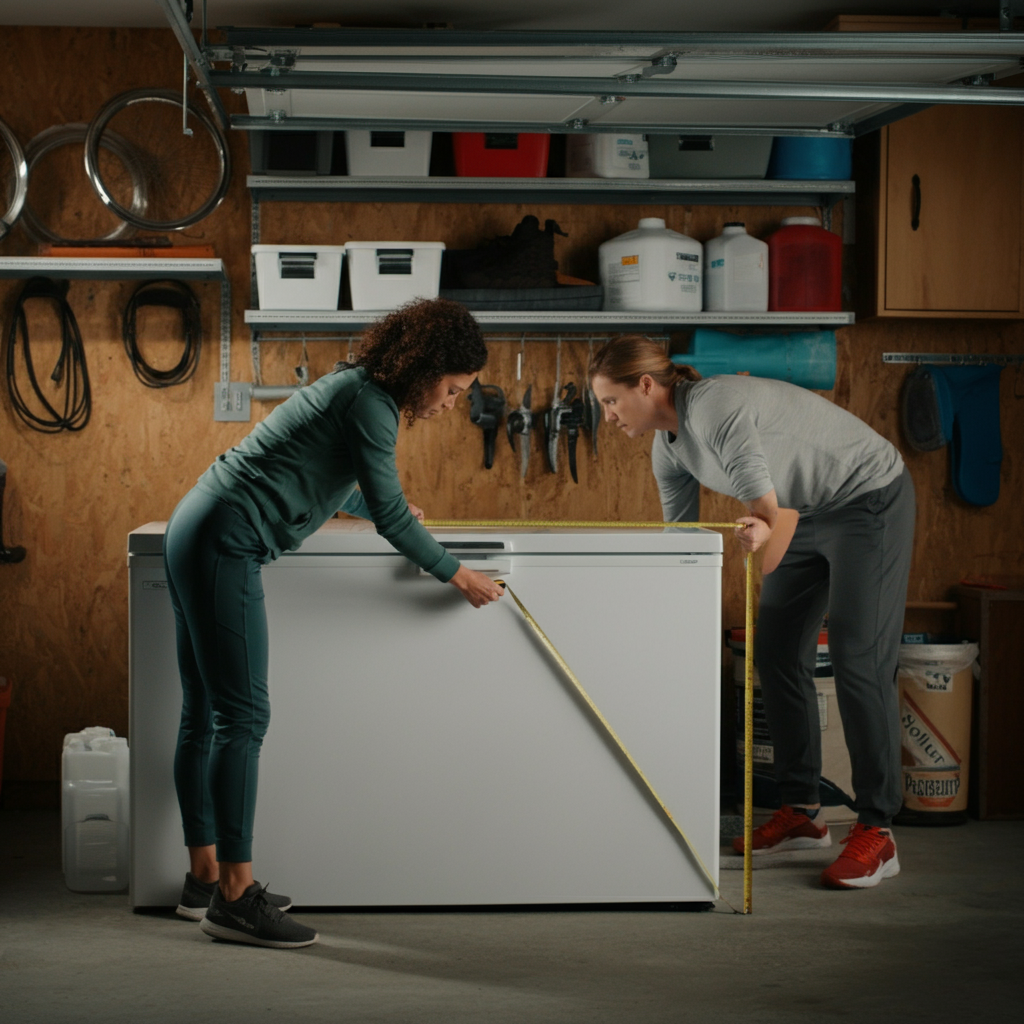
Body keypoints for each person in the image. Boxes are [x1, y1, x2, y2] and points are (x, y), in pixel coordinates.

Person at [163, 299, 504, 948]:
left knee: (204, 712)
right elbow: (389, 514)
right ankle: (234, 897)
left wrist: (384, 506)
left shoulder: (354, 385)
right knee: (243, 717)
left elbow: (327, 474)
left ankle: (204, 879)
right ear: (425, 370)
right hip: (225, 541)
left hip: (197, 527)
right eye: (452, 390)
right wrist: (458, 574)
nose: (451, 404)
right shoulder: (372, 403)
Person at [589, 335, 915, 890]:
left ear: (645, 385)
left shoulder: (713, 404)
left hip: (868, 498)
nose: (608, 416)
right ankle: (802, 813)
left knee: (858, 656)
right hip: (802, 513)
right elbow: (682, 543)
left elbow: (761, 505)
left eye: (610, 401)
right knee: (777, 652)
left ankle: (878, 829)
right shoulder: (668, 448)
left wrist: (760, 526)